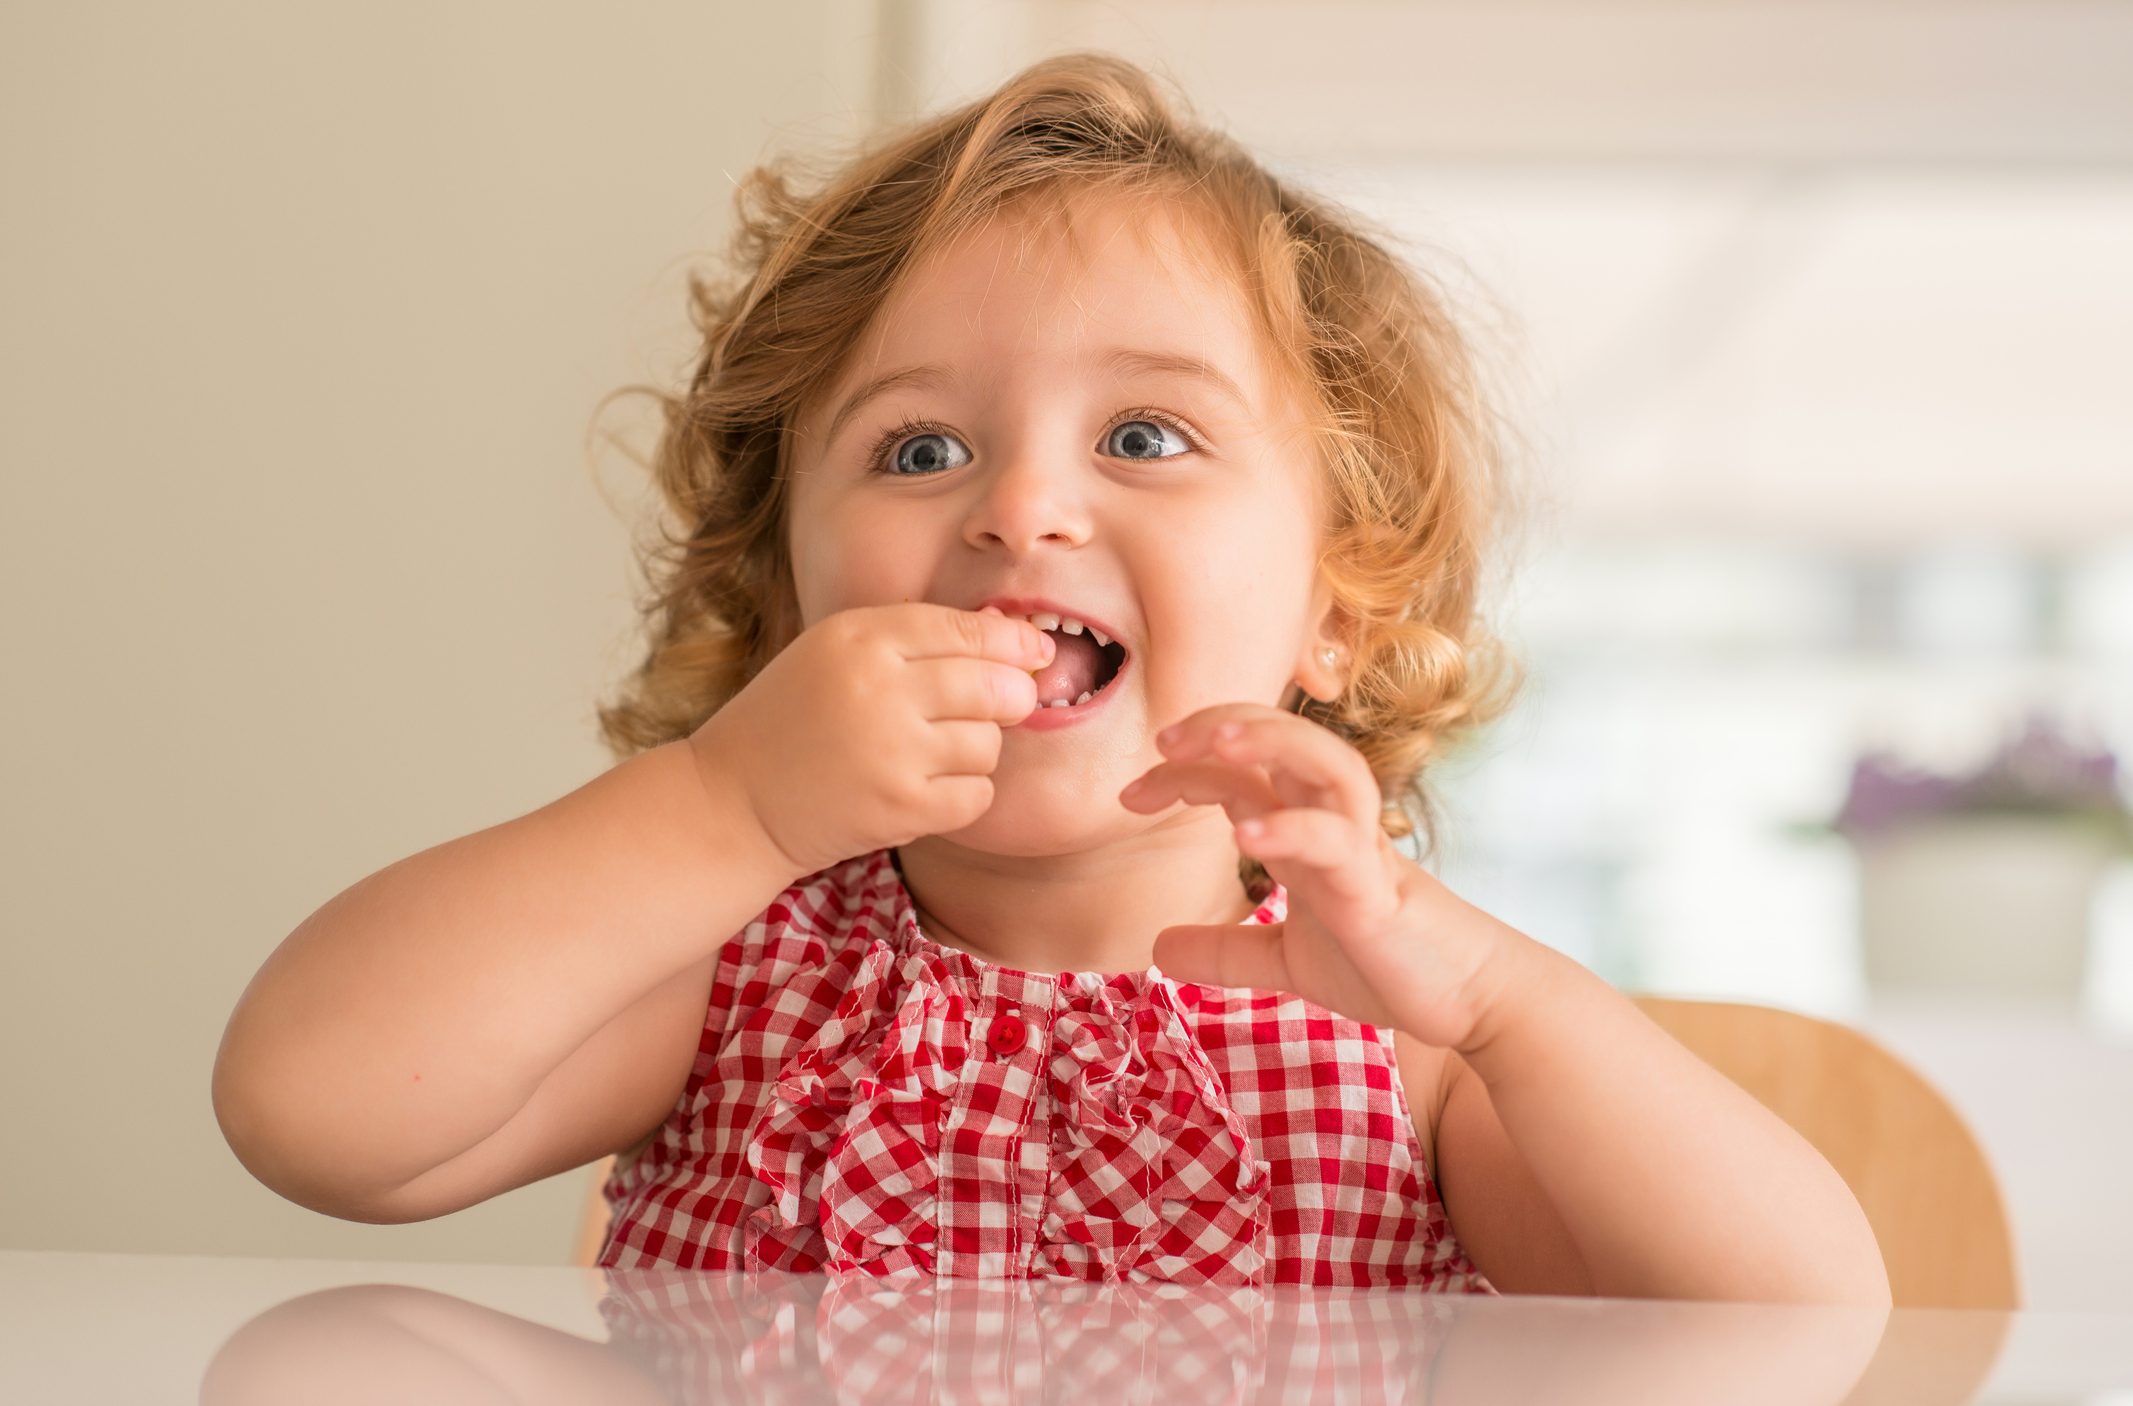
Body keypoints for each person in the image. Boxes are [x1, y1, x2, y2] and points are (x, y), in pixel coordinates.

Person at [213, 52, 1890, 1301]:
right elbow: (311, 1112)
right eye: (919, 445)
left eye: (1145, 435)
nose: (1019, 505)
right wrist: (719, 802)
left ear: (1339, 609)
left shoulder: (1408, 1043)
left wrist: (1503, 1007)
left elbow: (1801, 1326)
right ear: (784, 589)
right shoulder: (726, 971)